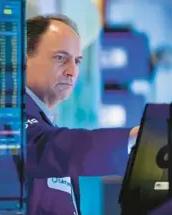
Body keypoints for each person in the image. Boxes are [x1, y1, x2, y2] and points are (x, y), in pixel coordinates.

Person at [25, 14, 139, 215]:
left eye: (77, 61)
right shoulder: (6, 115)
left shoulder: (46, 128)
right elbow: (52, 149)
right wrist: (137, 139)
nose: (72, 72)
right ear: (23, 59)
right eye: (60, 58)